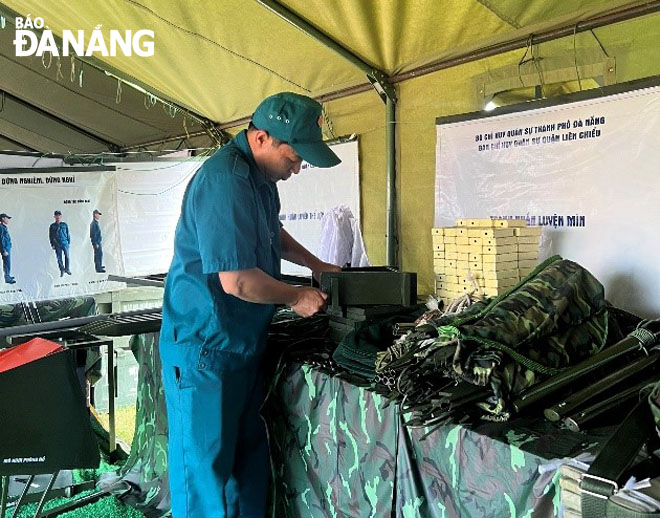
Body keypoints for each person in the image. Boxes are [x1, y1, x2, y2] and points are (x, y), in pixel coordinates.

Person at [160, 92, 342, 518]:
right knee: (205, 480)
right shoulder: (224, 180)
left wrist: (316, 265)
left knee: (246, 468)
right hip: (204, 349)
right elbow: (238, 281)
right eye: (295, 157)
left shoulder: (260, 179)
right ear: (261, 138)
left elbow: (270, 232)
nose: (298, 168)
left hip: (240, 344)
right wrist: (297, 295)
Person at [49, 210, 71, 277]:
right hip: (57, 244)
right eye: (56, 216)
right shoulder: (52, 226)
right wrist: (52, 244)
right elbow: (51, 236)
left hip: (65, 243)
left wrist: (68, 242)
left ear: (61, 216)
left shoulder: (64, 225)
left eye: (59, 216)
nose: (58, 217)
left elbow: (67, 233)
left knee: (67, 256)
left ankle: (67, 269)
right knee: (59, 258)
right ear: (54, 217)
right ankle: (62, 270)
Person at [0, 213, 15, 284]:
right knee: (6, 263)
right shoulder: (1, 227)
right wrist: (4, 250)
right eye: (7, 218)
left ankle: (8, 275)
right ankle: (7, 278)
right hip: (5, 249)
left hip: (7, 247)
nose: (8, 220)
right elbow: (1, 239)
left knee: (8, 263)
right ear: (3, 219)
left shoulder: (4, 227)